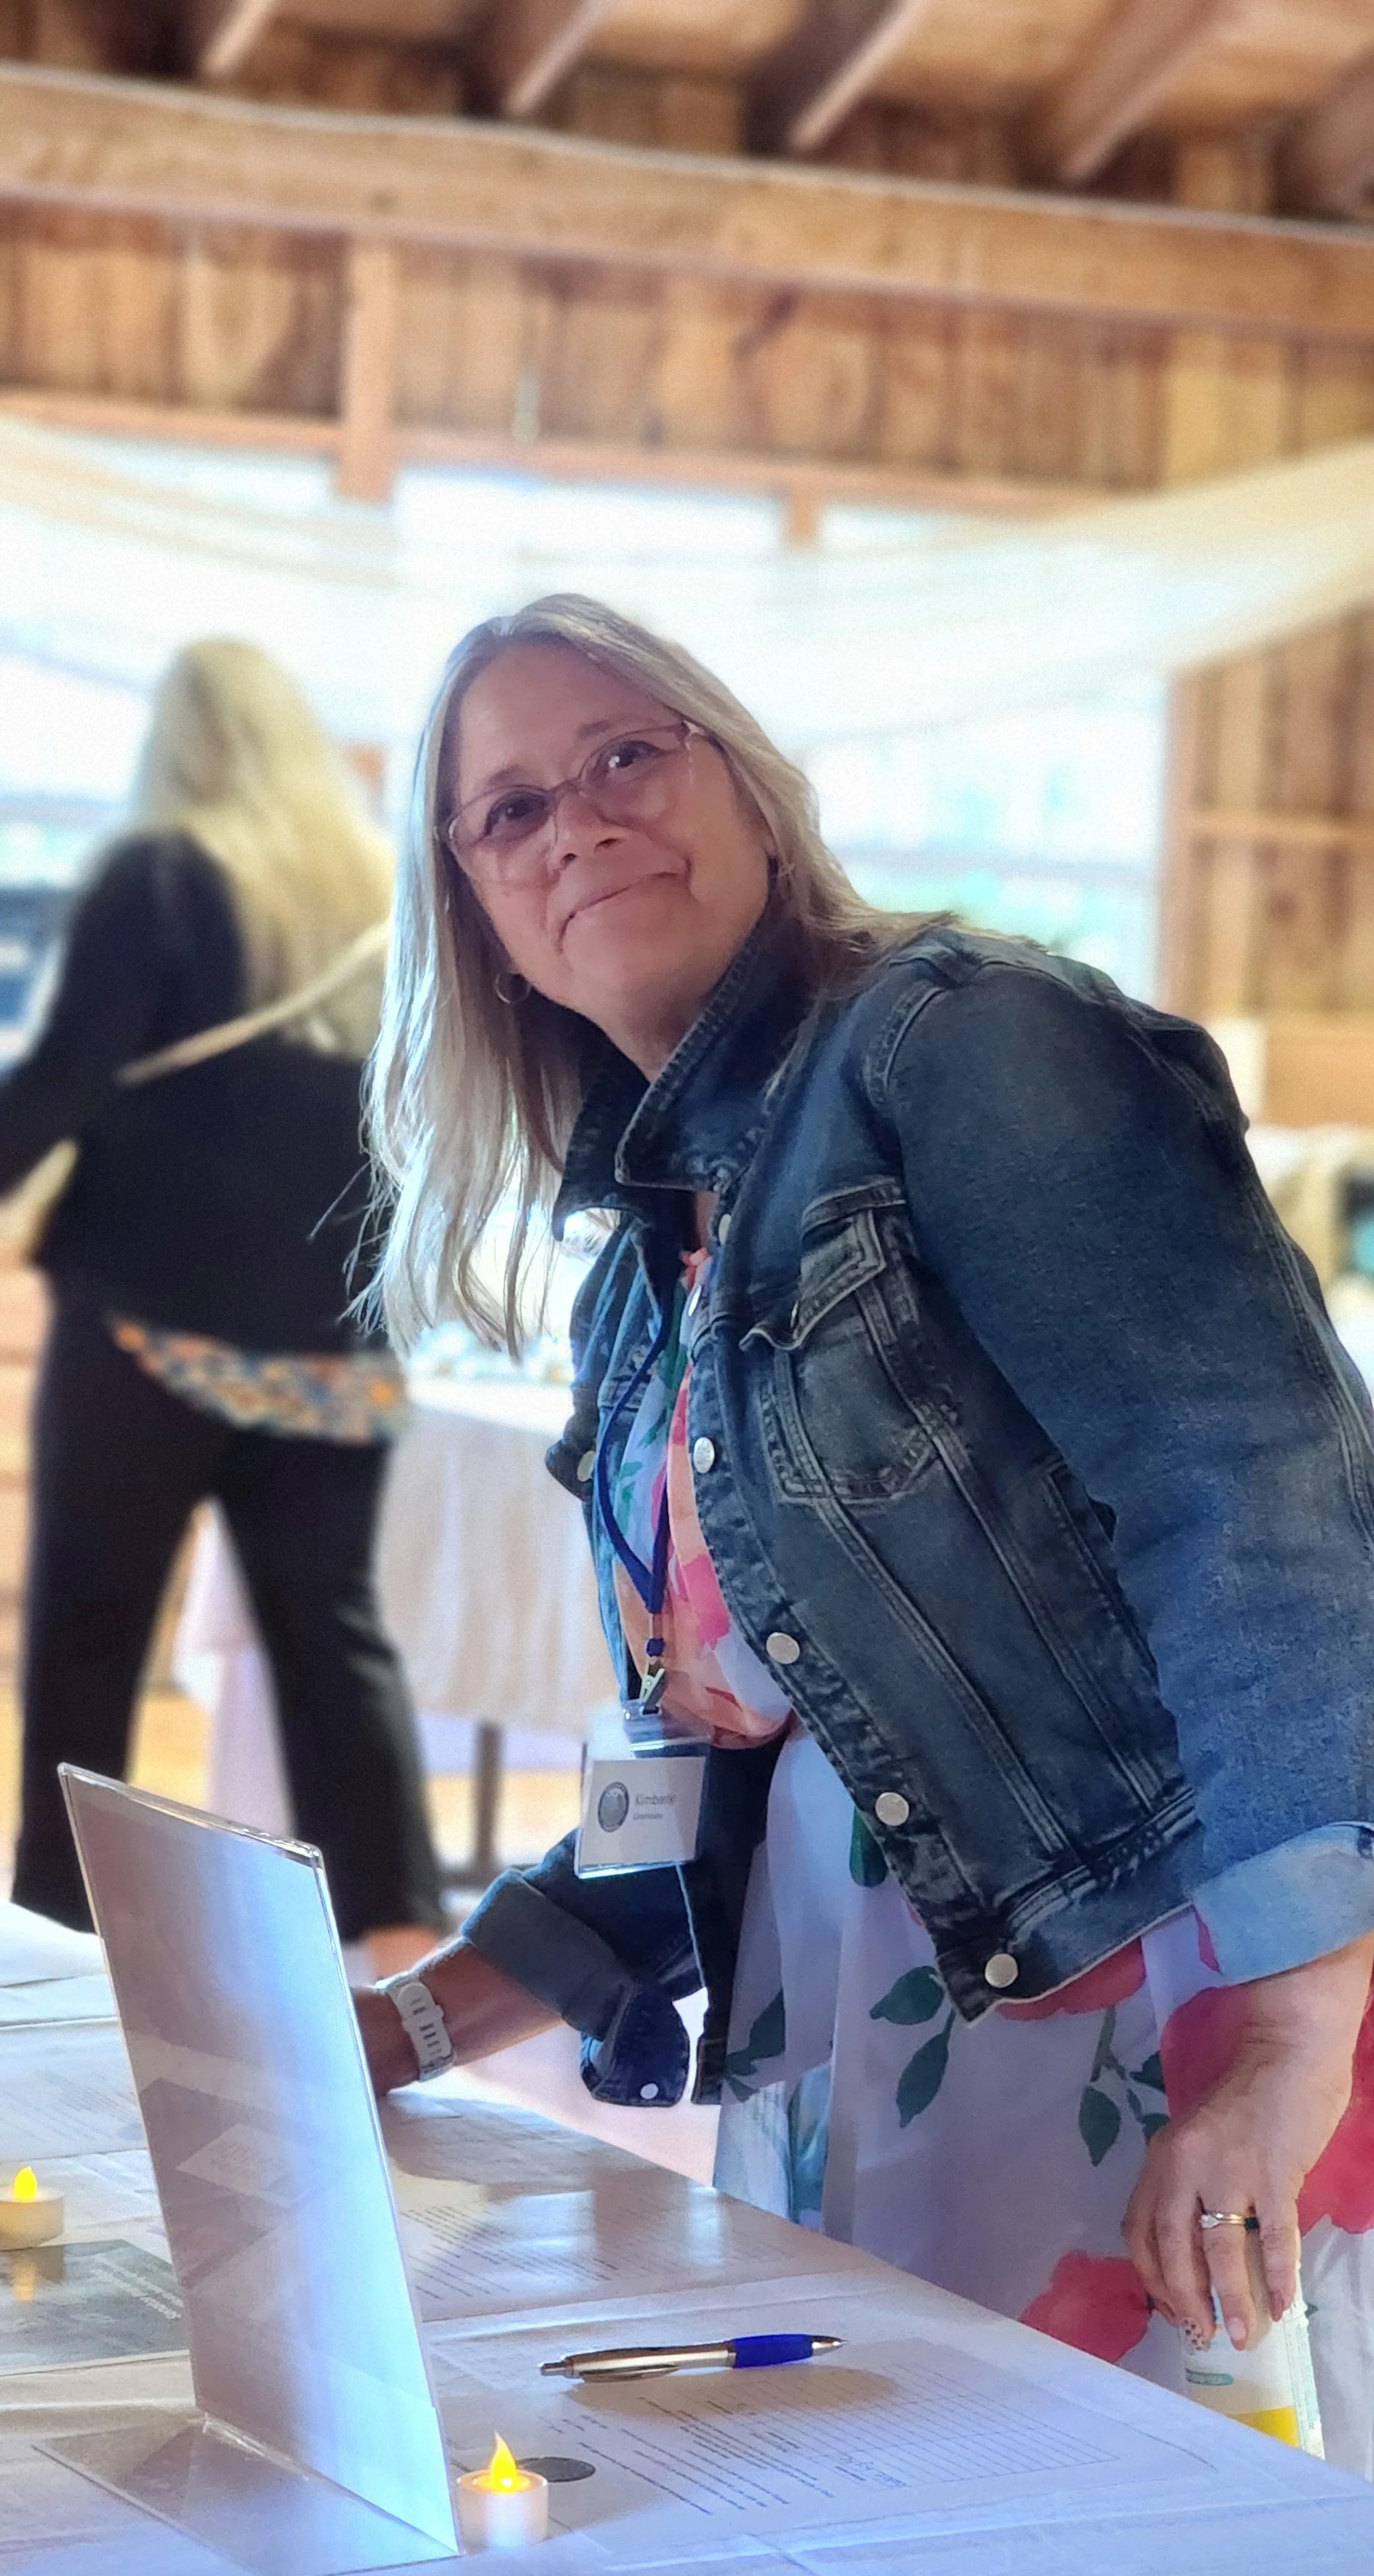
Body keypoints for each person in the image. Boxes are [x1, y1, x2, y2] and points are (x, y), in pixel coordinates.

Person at [357, 592, 1374, 2472]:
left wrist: (1294, 2035)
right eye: (509, 811)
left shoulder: (963, 1042)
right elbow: (705, 1764)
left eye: (623, 754)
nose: (575, 820)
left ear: (747, 786)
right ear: (479, 915)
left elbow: (1252, 1483)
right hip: (873, 2032)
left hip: (1159, 2006)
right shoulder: (652, 1266)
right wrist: (404, 2029)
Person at [0, 638, 443, 1970]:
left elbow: (69, 1074)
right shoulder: (376, 888)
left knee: (88, 1633)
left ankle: (57, 1930)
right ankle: (395, 1932)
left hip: (152, 1318)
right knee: (333, 1640)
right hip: (331, 1334)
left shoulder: (161, 873)